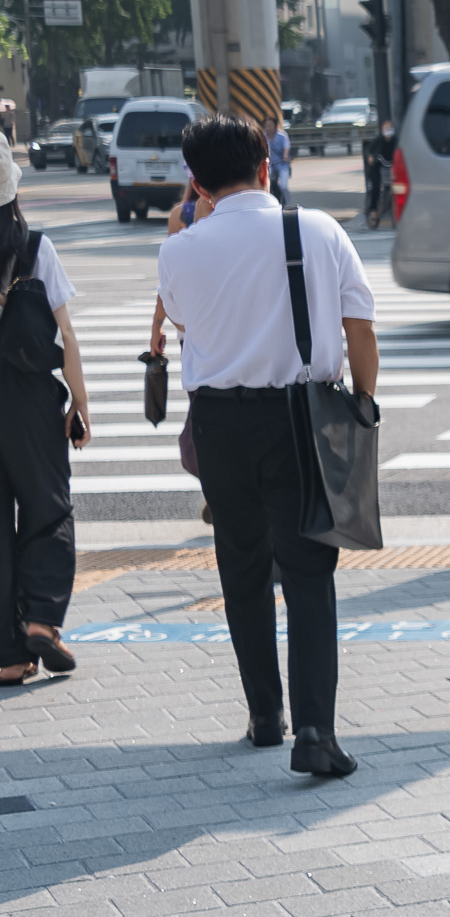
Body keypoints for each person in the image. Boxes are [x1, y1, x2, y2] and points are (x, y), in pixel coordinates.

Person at [156, 115, 378, 778]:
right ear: (266, 168)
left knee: (241, 567)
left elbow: (187, 319)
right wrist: (362, 403)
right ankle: (315, 731)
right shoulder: (317, 229)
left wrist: (187, 228)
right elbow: (359, 328)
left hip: (219, 422)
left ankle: (263, 716)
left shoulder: (181, 247)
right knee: (309, 573)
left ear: (195, 181)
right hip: (301, 417)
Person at [0, 152, 90, 685]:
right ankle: (41, 620)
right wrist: (79, 403)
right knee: (48, 508)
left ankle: (8, 655)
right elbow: (67, 336)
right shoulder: (35, 249)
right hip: (32, 399)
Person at [364, 116, 396, 229]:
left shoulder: (395, 141)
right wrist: (371, 157)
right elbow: (369, 150)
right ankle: (373, 210)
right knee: (376, 187)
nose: (388, 130)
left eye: (390, 128)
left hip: (392, 168)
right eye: (386, 128)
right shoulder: (379, 140)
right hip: (378, 168)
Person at [264, 115, 293, 208]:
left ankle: (288, 204)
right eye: (266, 125)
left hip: (282, 164)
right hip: (270, 164)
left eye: (270, 125)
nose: (268, 128)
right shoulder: (263, 136)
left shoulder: (282, 136)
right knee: (268, 184)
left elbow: (286, 147)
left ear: (275, 126)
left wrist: (285, 156)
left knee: (283, 186)